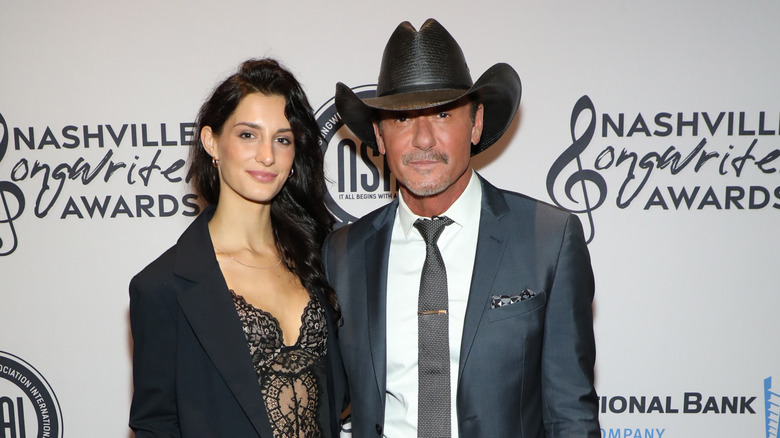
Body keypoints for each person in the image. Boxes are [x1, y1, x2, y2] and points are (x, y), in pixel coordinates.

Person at [323, 19, 598, 437]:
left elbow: (570, 415)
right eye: (401, 120)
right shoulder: (342, 252)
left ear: (476, 123)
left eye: (443, 113)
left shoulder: (548, 239)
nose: (422, 139)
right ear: (378, 136)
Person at [129, 58, 346, 437]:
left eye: (282, 139)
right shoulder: (163, 287)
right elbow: (156, 425)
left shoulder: (323, 258)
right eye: (248, 135)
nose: (267, 155)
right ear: (212, 141)